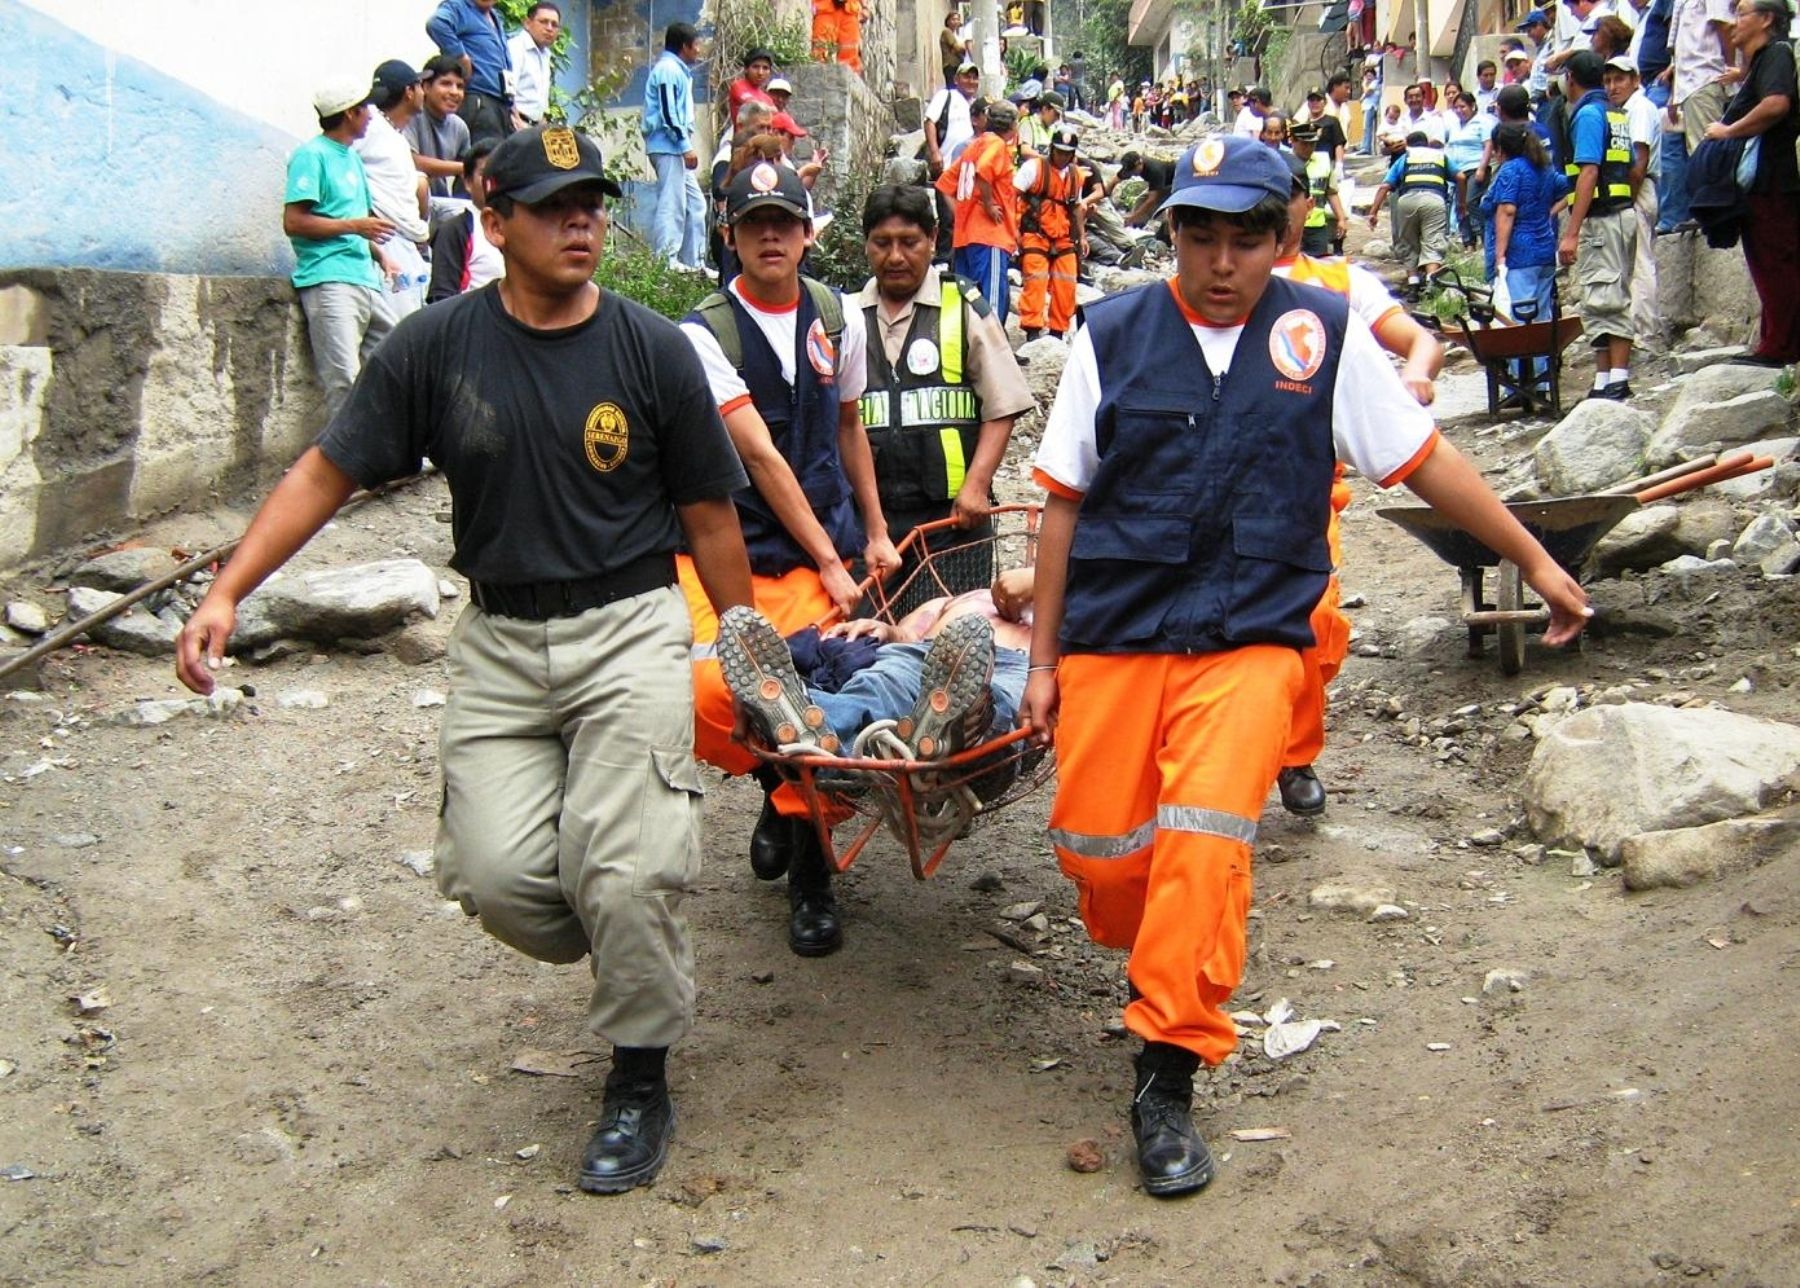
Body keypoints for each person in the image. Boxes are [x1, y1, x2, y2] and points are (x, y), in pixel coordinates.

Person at [180, 123, 755, 1197]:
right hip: (497, 639)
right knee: (494, 878)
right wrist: (227, 589)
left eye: (591, 202)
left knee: (626, 865)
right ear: (495, 225)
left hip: (629, 623)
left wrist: (747, 646)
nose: (583, 221)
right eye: (555, 206)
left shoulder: (650, 348)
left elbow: (709, 517)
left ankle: (638, 1073)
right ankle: (634, 925)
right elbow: (326, 471)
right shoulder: (436, 346)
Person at [1020, 135, 1591, 1200]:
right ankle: (1157, 960)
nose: (1222, 260)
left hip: (1250, 635)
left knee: (1204, 842)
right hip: (1117, 631)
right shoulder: (1113, 333)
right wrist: (1044, 660)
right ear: (1174, 236)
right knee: (1104, 860)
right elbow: (1060, 501)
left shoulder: (1323, 334)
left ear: (1284, 239)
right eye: (1201, 235)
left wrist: (1535, 557)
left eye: (1247, 237)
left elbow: (1424, 460)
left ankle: (1167, 1066)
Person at [679, 161, 900, 956]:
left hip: (820, 550)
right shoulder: (702, 335)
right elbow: (763, 459)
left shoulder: (836, 319)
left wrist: (872, 529)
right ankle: (777, 792)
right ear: (730, 237)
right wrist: (835, 565)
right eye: (752, 223)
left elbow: (849, 431)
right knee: (714, 692)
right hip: (728, 556)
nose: (770, 235)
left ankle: (811, 871)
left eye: (784, 221)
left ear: (808, 234)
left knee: (821, 704)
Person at [1271, 150, 1443, 815]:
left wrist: (1416, 373)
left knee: (1314, 623)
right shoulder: (1214, 277)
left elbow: (1417, 340)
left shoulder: (1342, 283)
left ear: (1305, 203)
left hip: (1308, 494)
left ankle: (1294, 756)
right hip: (1216, 485)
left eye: (1288, 195)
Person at [855, 185, 1034, 611]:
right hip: (873, 526)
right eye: (882, 243)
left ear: (934, 239)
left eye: (909, 242)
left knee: (951, 647)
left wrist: (976, 487)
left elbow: (1003, 405)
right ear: (866, 245)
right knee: (870, 647)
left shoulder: (963, 306)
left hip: (953, 523)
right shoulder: (845, 317)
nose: (895, 257)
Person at [717, 572, 1034, 767]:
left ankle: (961, 724)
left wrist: (1037, 580)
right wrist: (884, 629)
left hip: (1020, 665)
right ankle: (802, 715)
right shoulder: (960, 601)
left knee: (1000, 699)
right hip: (930, 655)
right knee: (881, 680)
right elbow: (907, 635)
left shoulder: (1063, 612)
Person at [284, 76, 398, 420]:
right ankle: (343, 469)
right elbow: (294, 222)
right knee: (343, 378)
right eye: (366, 109)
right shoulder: (311, 155)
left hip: (363, 278)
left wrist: (382, 256)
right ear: (350, 113)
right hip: (329, 277)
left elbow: (357, 221)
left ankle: (381, 453)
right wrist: (355, 226)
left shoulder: (352, 160)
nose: (371, 116)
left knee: (394, 357)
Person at [1703, 0, 1800, 366]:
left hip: (1775, 180)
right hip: (1765, 181)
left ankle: (1781, 347)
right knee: (1767, 261)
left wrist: (1728, 131)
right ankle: (1773, 341)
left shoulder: (1775, 54)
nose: (1734, 23)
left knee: (1776, 261)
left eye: (1742, 13)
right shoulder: (1763, 61)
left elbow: (1776, 104)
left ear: (1767, 18)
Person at [1559, 49, 1639, 399]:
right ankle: (1604, 379)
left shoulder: (1589, 115)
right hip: (1620, 212)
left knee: (1607, 298)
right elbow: (1634, 168)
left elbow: (1589, 171)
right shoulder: (1615, 113)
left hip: (1602, 219)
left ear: (1570, 79)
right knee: (1599, 297)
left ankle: (1618, 379)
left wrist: (1572, 232)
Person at [1483, 122, 1571, 400]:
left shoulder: (1511, 171)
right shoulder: (1544, 168)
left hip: (1520, 253)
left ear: (1500, 149)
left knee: (1517, 321)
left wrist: (1500, 255)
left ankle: (1523, 385)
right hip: (1545, 250)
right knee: (1542, 318)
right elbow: (1567, 191)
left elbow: (1507, 211)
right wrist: (1547, 214)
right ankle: (1543, 383)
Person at [356, 60, 434, 323]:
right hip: (387, 240)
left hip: (403, 241)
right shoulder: (372, 126)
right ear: (409, 92)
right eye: (420, 85)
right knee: (397, 331)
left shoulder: (392, 134)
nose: (424, 92)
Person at [937, 101, 1021, 326]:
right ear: (1013, 126)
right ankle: (991, 354)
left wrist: (961, 216)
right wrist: (988, 205)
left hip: (965, 237)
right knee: (991, 302)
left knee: (967, 299)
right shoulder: (997, 146)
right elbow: (984, 170)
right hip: (990, 235)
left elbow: (945, 185)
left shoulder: (974, 146)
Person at [1606, 56, 1665, 352]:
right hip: (1633, 189)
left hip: (1638, 189)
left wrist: (1627, 199)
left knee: (1641, 263)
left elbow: (1639, 161)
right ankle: (1637, 330)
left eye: (1619, 80)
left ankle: (1647, 333)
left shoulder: (1639, 109)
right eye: (1608, 81)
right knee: (1632, 264)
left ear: (1635, 80)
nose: (1613, 87)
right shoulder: (1624, 110)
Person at [643, 23, 707, 272]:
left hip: (675, 147)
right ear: (684, 46)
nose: (698, 51)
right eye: (696, 45)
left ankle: (695, 262)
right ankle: (666, 261)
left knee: (696, 203)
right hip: (668, 145)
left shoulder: (678, 70)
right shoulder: (668, 70)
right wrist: (685, 146)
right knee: (672, 202)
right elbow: (669, 114)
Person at [1015, 127, 1088, 343]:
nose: (1063, 156)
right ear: (1052, 149)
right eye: (1060, 151)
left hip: (1063, 236)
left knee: (1067, 283)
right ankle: (1032, 330)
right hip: (1034, 234)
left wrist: (1081, 237)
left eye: (1068, 153)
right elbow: (1011, 197)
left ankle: (1058, 331)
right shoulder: (1033, 168)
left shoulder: (1076, 176)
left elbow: (1076, 208)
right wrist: (1013, 233)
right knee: (1035, 282)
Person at [1367, 129, 1451, 299]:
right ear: (1426, 144)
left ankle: (1413, 285)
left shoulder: (1405, 158)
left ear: (1408, 145)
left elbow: (1385, 186)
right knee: (1433, 241)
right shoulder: (1440, 156)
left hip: (1407, 201)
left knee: (1408, 243)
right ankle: (1430, 282)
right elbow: (1461, 177)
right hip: (1434, 200)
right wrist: (1462, 204)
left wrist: (1373, 212)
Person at [426, 0, 513, 143]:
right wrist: (460, 56)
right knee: (484, 159)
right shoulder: (459, 6)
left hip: (500, 102)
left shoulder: (495, 15)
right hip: (478, 98)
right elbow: (436, 24)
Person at [427, 139, 504, 302]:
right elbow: (442, 297)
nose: (493, 182)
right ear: (468, 182)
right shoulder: (455, 230)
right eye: (485, 174)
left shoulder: (521, 225)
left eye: (501, 173)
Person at [406, 56, 472, 208]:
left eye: (460, 86)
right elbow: (412, 162)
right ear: (426, 87)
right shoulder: (411, 115)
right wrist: (464, 167)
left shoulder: (460, 126)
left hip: (442, 203)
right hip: (410, 201)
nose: (455, 92)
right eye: (446, 84)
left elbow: (468, 176)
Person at [1444, 92, 1494, 247]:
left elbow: (1488, 145)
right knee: (1460, 206)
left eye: (1462, 107)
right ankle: (1468, 241)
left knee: (1471, 201)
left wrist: (1481, 168)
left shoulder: (1482, 122)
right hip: (1458, 171)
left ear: (1472, 106)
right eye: (1456, 107)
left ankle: (1484, 234)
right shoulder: (1454, 125)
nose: (1459, 110)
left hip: (1475, 167)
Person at [1289, 121, 1345, 256]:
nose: (1309, 148)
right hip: (1292, 226)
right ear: (1293, 141)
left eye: (1312, 143)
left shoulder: (1323, 161)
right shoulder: (1284, 162)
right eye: (1304, 144)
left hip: (1317, 226)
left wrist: (1341, 218)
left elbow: (1332, 192)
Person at [508, 2, 560, 127]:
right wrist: (518, 123)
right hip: (515, 125)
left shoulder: (545, 54)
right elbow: (508, 93)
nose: (549, 28)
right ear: (527, 23)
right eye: (543, 22)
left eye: (554, 24)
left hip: (535, 128)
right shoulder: (516, 48)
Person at [812, 0, 864, 75]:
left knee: (850, 53)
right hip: (826, 9)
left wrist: (865, 6)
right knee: (820, 51)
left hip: (849, 10)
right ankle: (817, 78)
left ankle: (850, 80)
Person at [728, 47, 777, 125]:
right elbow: (753, 106)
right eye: (755, 67)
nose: (760, 72)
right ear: (746, 69)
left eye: (765, 68)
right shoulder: (738, 86)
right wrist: (771, 109)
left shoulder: (767, 99)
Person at [940, 11, 971, 88]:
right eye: (953, 19)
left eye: (957, 19)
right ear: (948, 21)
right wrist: (965, 46)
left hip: (958, 65)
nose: (955, 21)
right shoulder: (947, 32)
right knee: (952, 88)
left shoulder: (957, 35)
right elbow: (957, 48)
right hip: (950, 65)